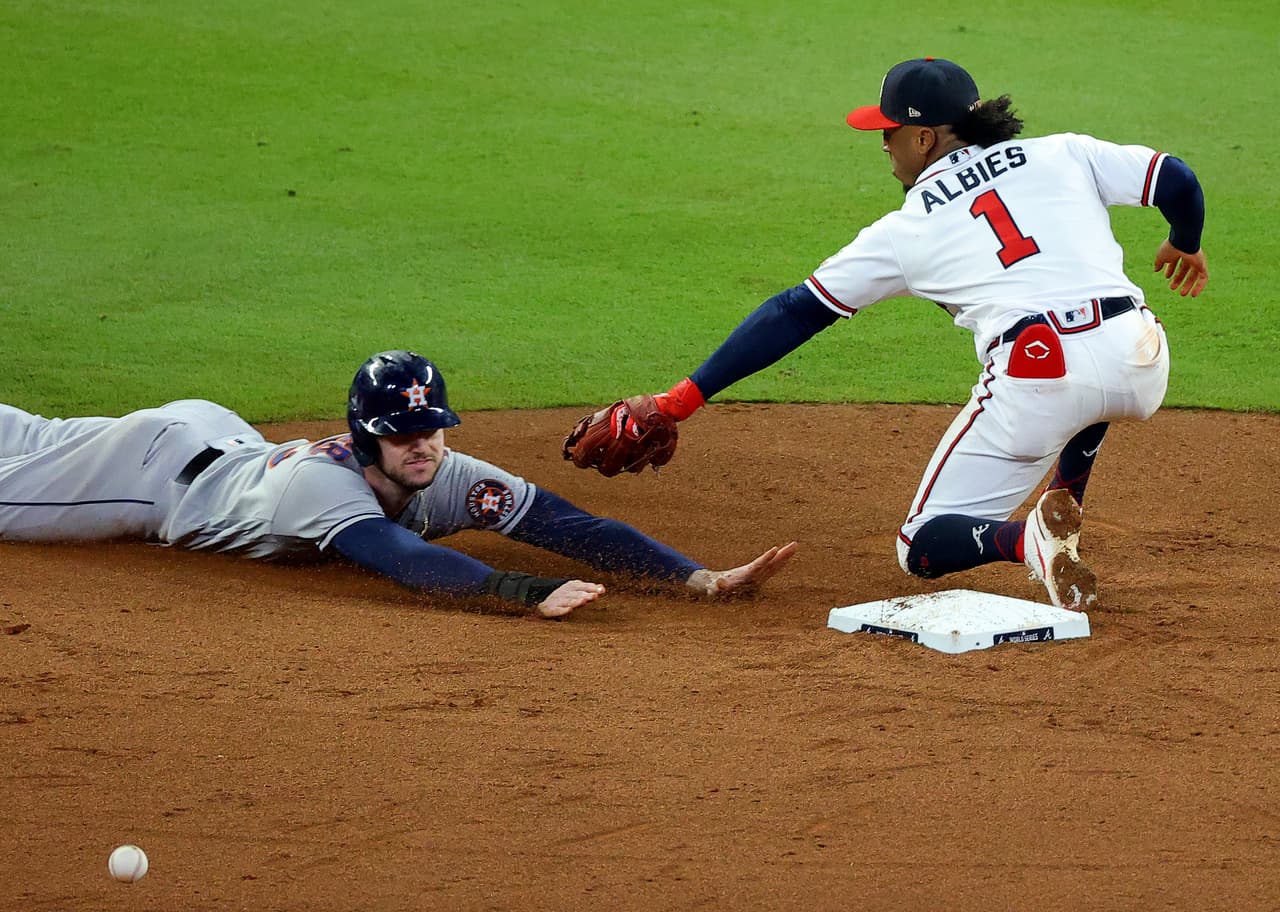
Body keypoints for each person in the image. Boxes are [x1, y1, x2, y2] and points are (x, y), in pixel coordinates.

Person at [608, 57, 1207, 611]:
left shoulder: (906, 227)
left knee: (919, 545)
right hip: (1141, 355)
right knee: (1094, 383)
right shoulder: (1064, 153)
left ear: (925, 138)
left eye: (888, 134)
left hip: (1040, 375)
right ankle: (1065, 517)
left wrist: (680, 399)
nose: (885, 148)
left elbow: (794, 312)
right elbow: (1177, 179)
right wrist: (1185, 241)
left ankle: (1028, 539)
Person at [0, 350, 796, 618]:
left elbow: (567, 525)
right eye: (402, 434)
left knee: (26, 434)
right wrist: (526, 594)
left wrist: (698, 579)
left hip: (214, 432)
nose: (424, 447)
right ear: (363, 437)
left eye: (432, 428)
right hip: (147, 478)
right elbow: (405, 562)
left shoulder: (443, 472)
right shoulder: (324, 488)